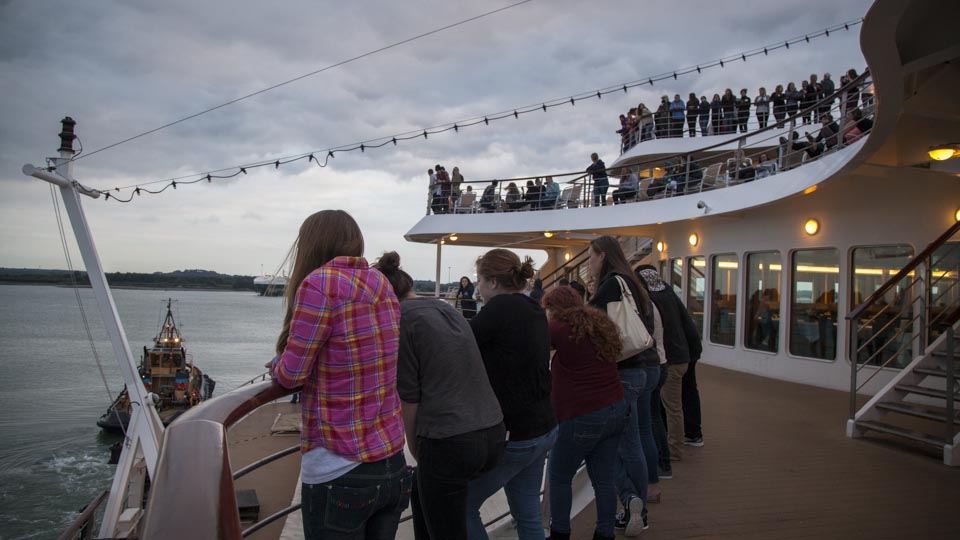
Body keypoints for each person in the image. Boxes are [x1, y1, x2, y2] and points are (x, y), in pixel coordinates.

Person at [270, 210, 411, 540]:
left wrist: (276, 365)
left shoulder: (319, 285)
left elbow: (291, 375)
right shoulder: (379, 282)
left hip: (341, 467)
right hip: (390, 461)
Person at [377, 252, 505, 540]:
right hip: (491, 430)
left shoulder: (402, 320)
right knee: (422, 499)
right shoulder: (444, 308)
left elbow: (409, 399)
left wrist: (415, 447)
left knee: (446, 531)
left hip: (451, 441)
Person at [466, 249, 558, 540]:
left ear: (493, 282)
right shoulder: (533, 309)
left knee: (460, 506)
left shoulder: (498, 309)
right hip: (542, 427)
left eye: (480, 281)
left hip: (516, 435)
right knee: (528, 512)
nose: (478, 288)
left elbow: (459, 343)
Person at [587, 236, 659, 536]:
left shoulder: (611, 285)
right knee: (633, 443)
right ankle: (636, 508)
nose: (588, 263)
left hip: (622, 372)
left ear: (602, 256)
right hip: (641, 368)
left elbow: (594, 326)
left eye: (590, 257)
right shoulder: (633, 283)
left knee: (617, 446)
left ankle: (634, 506)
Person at [542, 286, 626, 540]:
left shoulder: (559, 329)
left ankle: (560, 533)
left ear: (554, 309)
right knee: (603, 479)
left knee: (559, 476)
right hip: (615, 409)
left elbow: (530, 345)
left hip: (581, 415)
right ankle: (604, 533)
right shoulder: (599, 325)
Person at [636, 265, 703, 459]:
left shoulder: (651, 301)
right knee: (676, 402)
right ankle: (679, 439)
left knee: (672, 406)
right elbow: (687, 324)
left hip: (671, 358)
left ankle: (674, 449)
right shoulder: (668, 294)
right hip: (684, 354)